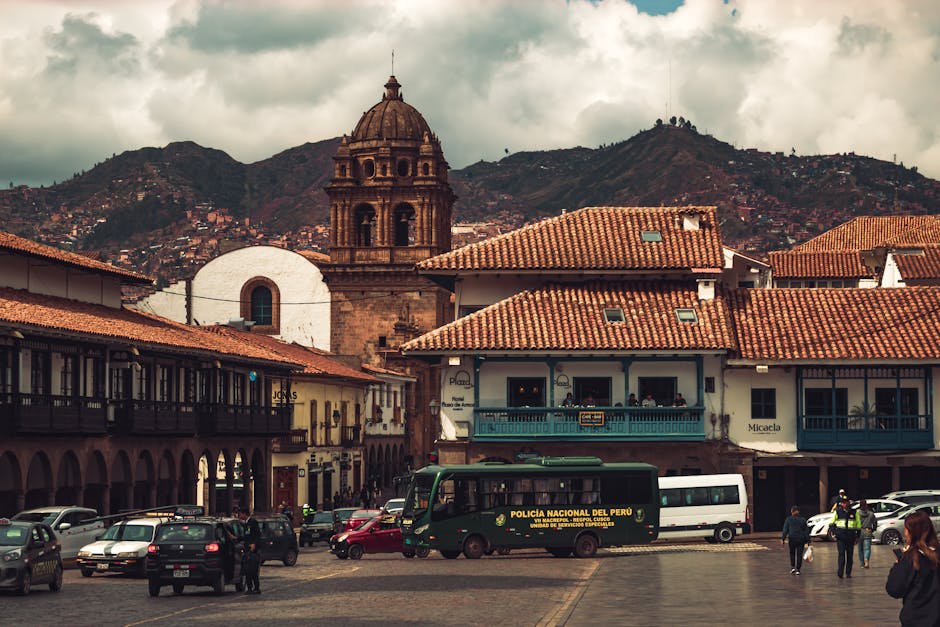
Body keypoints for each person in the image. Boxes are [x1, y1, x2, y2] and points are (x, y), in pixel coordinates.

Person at [886, 509, 940, 626]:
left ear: (912, 532)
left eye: (906, 529)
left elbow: (894, 589)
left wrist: (898, 564)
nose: (904, 533)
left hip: (916, 618)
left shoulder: (912, 558)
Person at [830, 497, 861, 578]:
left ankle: (848, 573)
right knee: (841, 555)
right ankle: (840, 573)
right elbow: (831, 523)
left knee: (850, 557)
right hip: (841, 537)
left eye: (846, 502)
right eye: (843, 502)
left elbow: (858, 525)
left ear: (849, 503)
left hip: (851, 537)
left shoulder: (854, 512)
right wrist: (835, 533)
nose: (845, 504)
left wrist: (857, 536)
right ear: (841, 504)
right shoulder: (838, 512)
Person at [781, 505, 810, 575]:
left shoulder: (788, 519)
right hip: (801, 539)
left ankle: (793, 567)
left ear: (792, 512)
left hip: (792, 539)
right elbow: (806, 531)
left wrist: (783, 539)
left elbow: (785, 530)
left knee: (792, 553)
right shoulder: (803, 519)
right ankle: (798, 569)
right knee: (799, 554)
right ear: (798, 512)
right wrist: (808, 541)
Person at [857, 499, 878, 569]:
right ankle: (866, 560)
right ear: (866, 505)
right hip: (868, 531)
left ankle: (862, 563)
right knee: (867, 548)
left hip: (859, 532)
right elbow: (875, 522)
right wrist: (873, 529)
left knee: (860, 549)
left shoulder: (857, 513)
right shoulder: (871, 514)